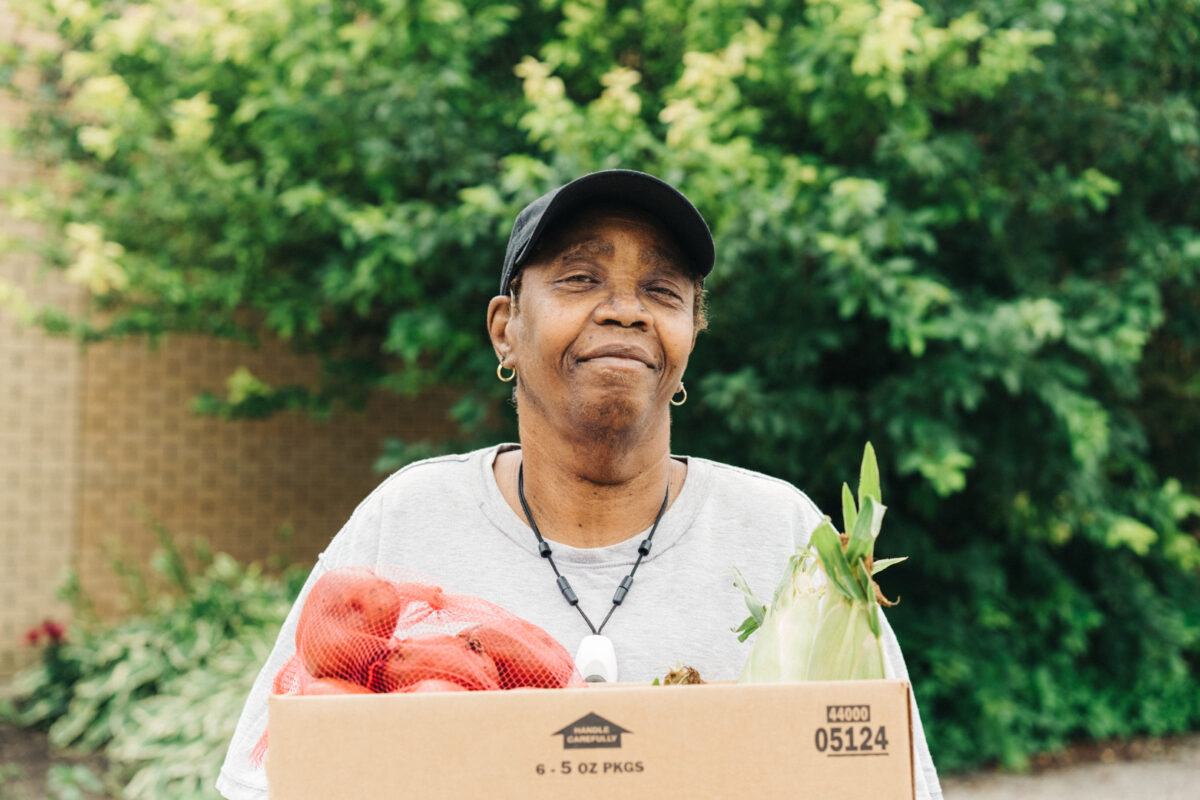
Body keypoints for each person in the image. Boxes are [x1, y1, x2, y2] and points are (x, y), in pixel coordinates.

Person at [216, 169, 943, 800]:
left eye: (661, 289)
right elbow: (269, 777)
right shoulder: (410, 520)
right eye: (580, 278)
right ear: (505, 328)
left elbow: (883, 774)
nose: (626, 308)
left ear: (692, 333)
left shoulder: (786, 538)